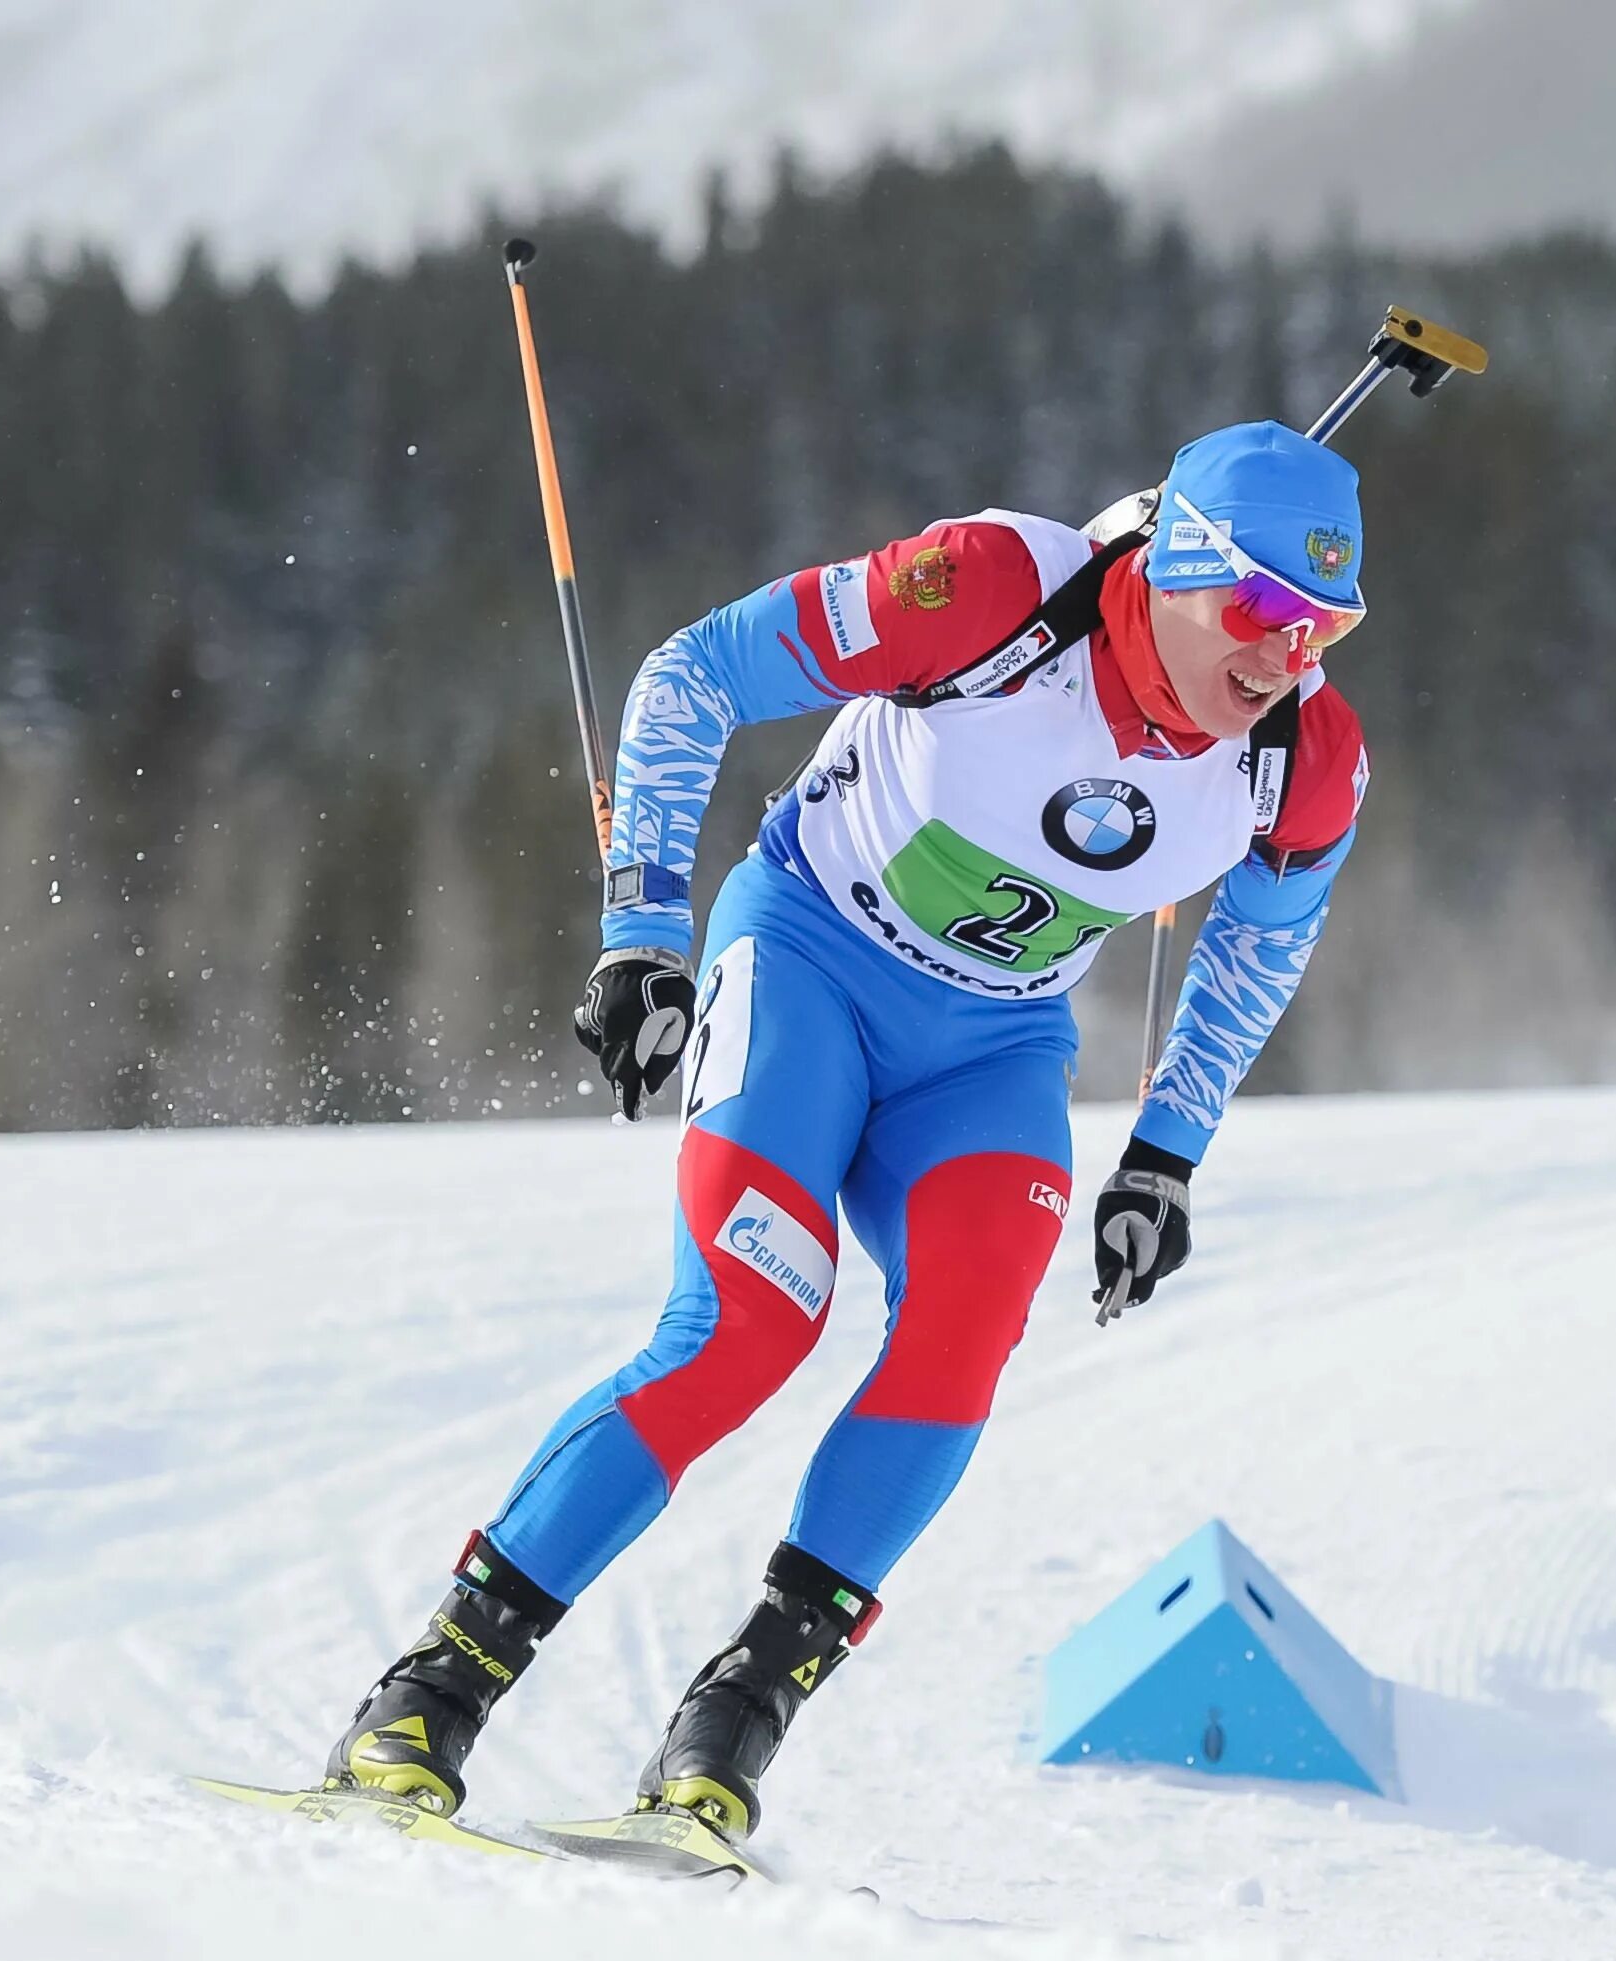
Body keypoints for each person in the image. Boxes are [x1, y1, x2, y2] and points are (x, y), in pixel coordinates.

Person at [323, 420, 1377, 1837]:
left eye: (1322, 625)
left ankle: (729, 1725)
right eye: (1255, 608)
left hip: (991, 1051)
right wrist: (641, 934)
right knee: (752, 1315)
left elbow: (1256, 951)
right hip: (812, 962)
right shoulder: (994, 593)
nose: (1282, 655)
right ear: (1172, 565)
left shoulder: (1302, 759)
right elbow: (691, 673)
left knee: (962, 1336)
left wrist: (1166, 1152)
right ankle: (433, 1689)